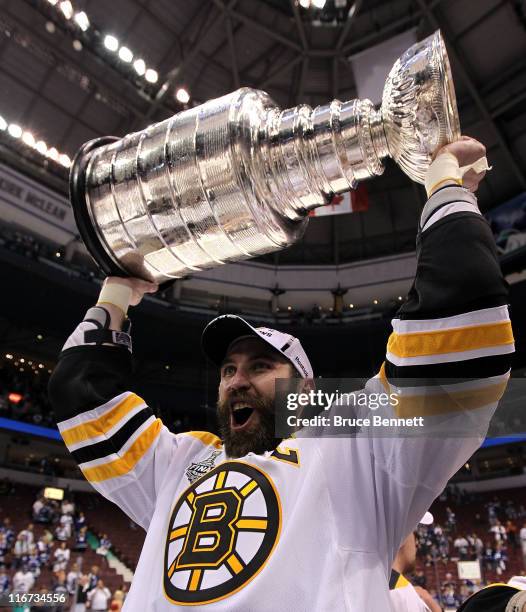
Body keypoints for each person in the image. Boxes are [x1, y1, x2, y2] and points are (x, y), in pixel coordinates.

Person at [49, 136, 514, 610]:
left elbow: (457, 338)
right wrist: (116, 293)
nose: (236, 379)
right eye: (228, 368)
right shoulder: (178, 463)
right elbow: (82, 397)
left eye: (260, 365)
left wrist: (444, 185)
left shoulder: (352, 450)